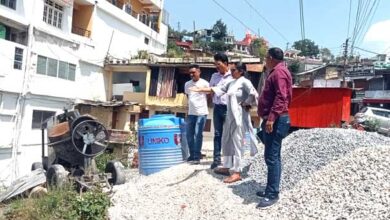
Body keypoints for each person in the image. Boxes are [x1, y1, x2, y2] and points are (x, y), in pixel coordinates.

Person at [190, 62, 258, 183]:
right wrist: (200, 89)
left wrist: (246, 103)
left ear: (241, 71)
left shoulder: (244, 82)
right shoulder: (231, 83)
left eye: (234, 70)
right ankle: (227, 166)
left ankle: (237, 171)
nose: (231, 72)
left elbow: (254, 95)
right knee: (226, 140)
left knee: (237, 143)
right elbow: (217, 89)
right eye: (231, 70)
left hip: (239, 116)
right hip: (229, 115)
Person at [256, 47, 292, 208]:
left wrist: (271, 118)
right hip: (273, 119)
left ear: (270, 58)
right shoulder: (277, 71)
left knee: (272, 156)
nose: (265, 60)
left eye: (265, 58)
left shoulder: (279, 72)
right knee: (270, 154)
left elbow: (281, 97)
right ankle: (270, 188)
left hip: (276, 120)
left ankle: (272, 193)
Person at [209, 53, 233, 169]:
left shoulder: (233, 76)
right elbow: (210, 90)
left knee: (229, 135)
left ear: (226, 63)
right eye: (215, 64)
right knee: (217, 134)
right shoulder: (214, 76)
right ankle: (216, 160)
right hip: (217, 107)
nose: (216, 67)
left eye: (218, 64)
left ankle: (229, 161)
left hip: (228, 108)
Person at [184, 64, 209, 165]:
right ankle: (192, 155)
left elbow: (210, 95)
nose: (191, 74)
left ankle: (196, 156)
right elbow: (187, 95)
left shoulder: (205, 83)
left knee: (197, 135)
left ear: (199, 72)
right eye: (190, 73)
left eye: (193, 72)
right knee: (189, 135)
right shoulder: (187, 84)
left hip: (201, 113)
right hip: (191, 113)